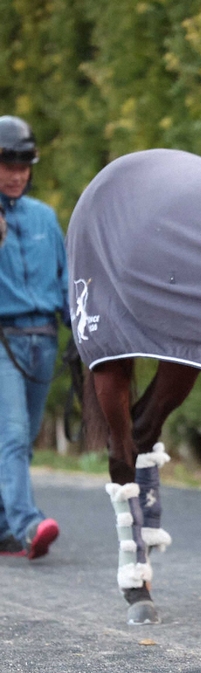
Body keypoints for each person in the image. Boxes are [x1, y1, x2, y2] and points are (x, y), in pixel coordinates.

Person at [0, 115, 69, 559]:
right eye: (8, 165)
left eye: (24, 165)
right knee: (14, 435)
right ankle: (27, 525)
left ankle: (5, 530)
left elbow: (66, 281)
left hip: (44, 340)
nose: (17, 174)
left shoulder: (45, 217)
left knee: (19, 436)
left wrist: (83, 335)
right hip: (3, 340)